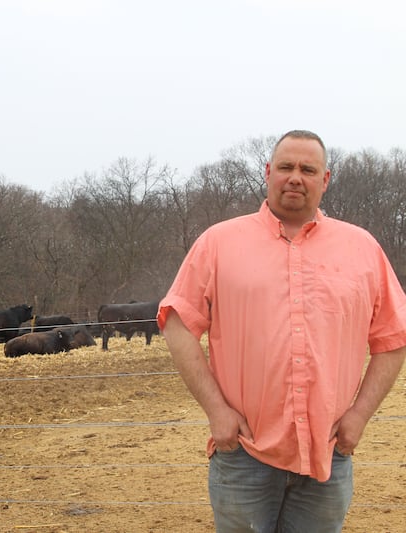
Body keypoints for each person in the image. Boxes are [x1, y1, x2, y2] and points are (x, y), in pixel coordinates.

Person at [157, 130, 406, 532]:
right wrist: (217, 411)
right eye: (286, 167)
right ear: (268, 172)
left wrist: (360, 415)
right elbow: (178, 323)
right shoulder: (218, 243)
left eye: (308, 169)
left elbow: (394, 337)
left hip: (328, 453)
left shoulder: (362, 249)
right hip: (243, 452)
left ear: (325, 179)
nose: (295, 177)